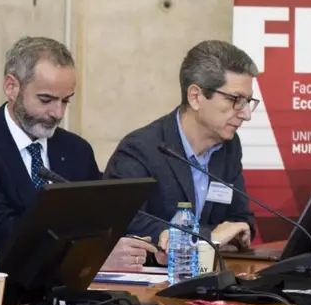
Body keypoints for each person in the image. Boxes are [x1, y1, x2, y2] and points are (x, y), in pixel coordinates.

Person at [0, 36, 159, 270]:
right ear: (11, 87)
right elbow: (1, 233)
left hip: (60, 289)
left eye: (65, 101)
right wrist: (90, 255)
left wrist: (147, 249)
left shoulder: (76, 150)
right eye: (46, 100)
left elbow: (99, 223)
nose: (57, 113)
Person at [104, 40, 258, 264]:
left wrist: (241, 230)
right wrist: (209, 238)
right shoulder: (141, 149)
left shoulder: (229, 147)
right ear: (195, 97)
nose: (246, 114)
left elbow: (240, 220)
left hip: (209, 278)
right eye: (236, 100)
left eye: (248, 102)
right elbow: (125, 222)